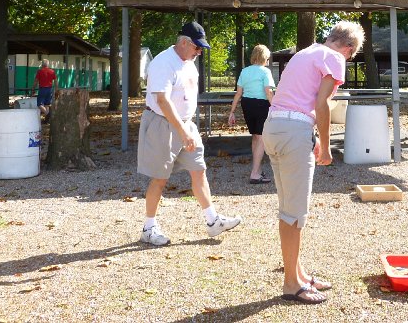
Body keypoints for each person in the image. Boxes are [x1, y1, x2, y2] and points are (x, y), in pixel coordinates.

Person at [262, 20, 364, 304]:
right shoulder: (334, 58)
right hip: (294, 132)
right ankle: (292, 284)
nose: (348, 59)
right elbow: (322, 105)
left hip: (274, 128)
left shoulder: (305, 53)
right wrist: (328, 147)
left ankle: (299, 273)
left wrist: (312, 136)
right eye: (351, 56)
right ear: (348, 47)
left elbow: (293, 100)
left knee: (288, 209)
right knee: (295, 214)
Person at [138, 21, 241, 246]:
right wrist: (182, 130)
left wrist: (187, 127)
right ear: (184, 42)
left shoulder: (189, 61)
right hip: (162, 124)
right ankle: (148, 228)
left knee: (199, 170)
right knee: (160, 178)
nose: (199, 52)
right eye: (197, 47)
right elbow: (162, 101)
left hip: (186, 125)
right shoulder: (163, 63)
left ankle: (212, 221)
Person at [228, 44, 276, 184]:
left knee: (256, 137)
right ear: (264, 57)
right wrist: (276, 108)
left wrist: (232, 112)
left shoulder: (244, 71)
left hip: (247, 104)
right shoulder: (265, 72)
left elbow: (238, 94)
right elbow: (268, 92)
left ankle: (258, 169)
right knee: (261, 138)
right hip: (261, 105)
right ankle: (255, 173)